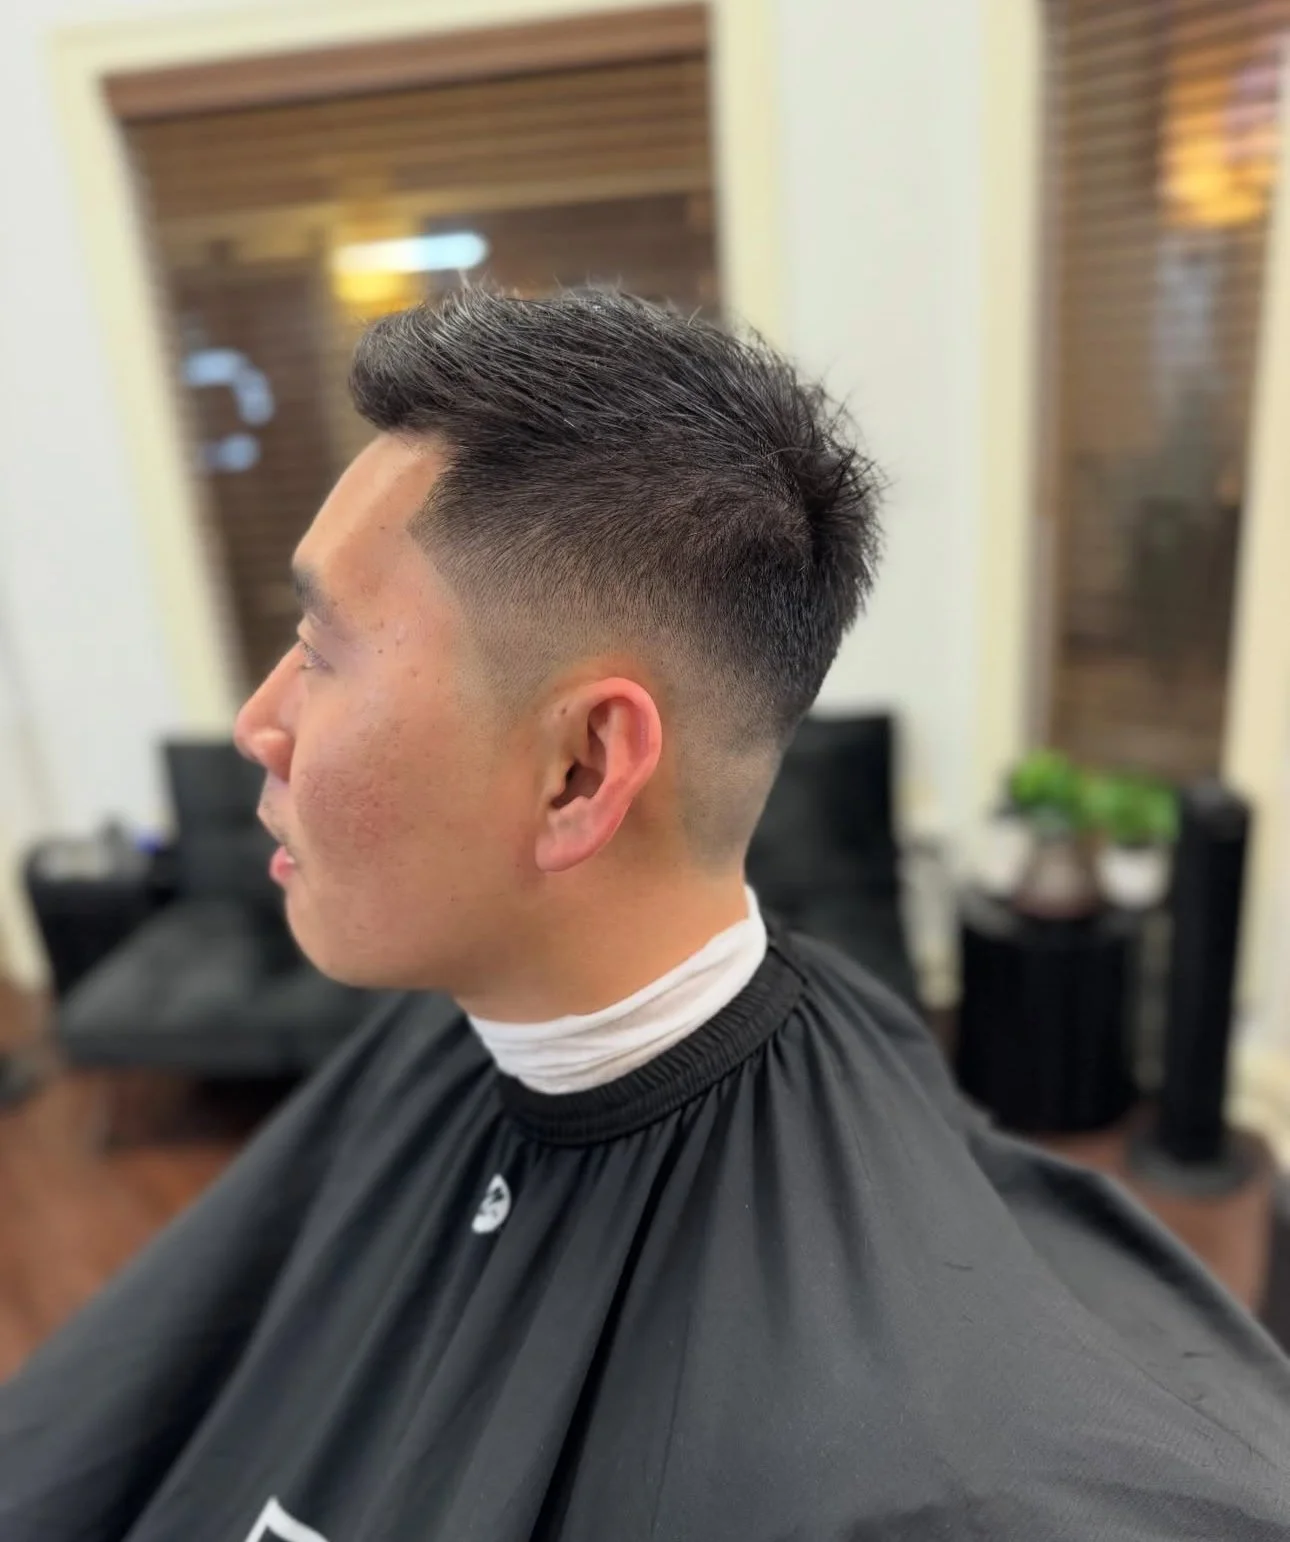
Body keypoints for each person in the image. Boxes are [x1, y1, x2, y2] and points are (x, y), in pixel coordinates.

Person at [2, 288, 1288, 1542]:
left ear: (580, 771)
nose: (260, 723)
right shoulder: (450, 1036)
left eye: (325, 649)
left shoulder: (930, 1472)